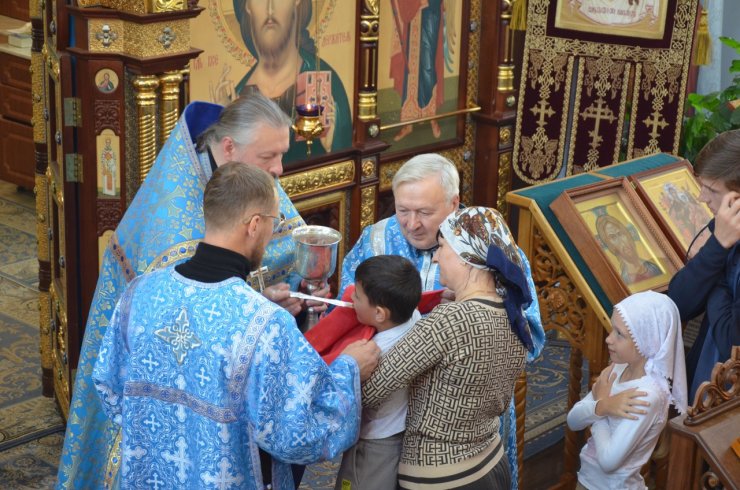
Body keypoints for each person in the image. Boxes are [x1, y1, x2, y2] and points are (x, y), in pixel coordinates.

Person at [56, 94, 321, 489]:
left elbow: (283, 248)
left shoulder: (252, 176)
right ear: (228, 147)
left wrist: (301, 285)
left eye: (282, 154)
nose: (279, 169)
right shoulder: (172, 219)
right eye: (269, 156)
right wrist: (256, 307)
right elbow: (173, 313)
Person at [91, 162, 380, 489]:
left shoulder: (138, 293)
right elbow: (296, 435)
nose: (272, 233)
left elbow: (108, 386)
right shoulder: (265, 323)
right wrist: (348, 370)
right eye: (274, 222)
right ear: (255, 224)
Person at [339, 153, 546, 488]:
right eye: (403, 210)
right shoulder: (375, 240)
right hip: (386, 423)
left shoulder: (490, 248)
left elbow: (528, 336)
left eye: (424, 212)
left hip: (462, 425)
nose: (412, 224)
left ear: (453, 203)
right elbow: (348, 310)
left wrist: (457, 332)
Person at [361, 206, 534, 488]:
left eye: (442, 247)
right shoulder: (514, 313)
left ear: (467, 258)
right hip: (491, 462)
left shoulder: (450, 320)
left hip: (441, 476)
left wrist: (352, 361)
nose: (437, 257)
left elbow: (371, 391)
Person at [566, 291, 688, 490]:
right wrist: (602, 406)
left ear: (646, 340)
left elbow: (608, 461)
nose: (608, 339)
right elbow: (573, 420)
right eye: (612, 329)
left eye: (619, 334)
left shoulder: (648, 395)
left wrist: (601, 407)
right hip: (587, 481)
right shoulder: (617, 368)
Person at [333, 255, 422, 490]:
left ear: (380, 314)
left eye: (357, 296)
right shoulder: (413, 316)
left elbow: (344, 393)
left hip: (373, 443)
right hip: (400, 433)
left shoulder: (372, 353)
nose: (351, 298)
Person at [667, 129, 740, 400]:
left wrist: (717, 272)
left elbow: (732, 343)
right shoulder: (725, 232)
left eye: (711, 190)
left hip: (727, 400)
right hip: (704, 381)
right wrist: (717, 246)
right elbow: (678, 304)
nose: (701, 197)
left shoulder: (726, 235)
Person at [233, 0, 352, 159]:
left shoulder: (326, 84)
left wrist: (331, 147)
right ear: (247, 6)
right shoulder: (236, 98)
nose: (270, 9)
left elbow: (344, 159)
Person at [389, 0, 456, 142]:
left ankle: (431, 117)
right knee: (410, 67)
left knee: (428, 64)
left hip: (430, 12)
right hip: (413, 14)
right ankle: (408, 123)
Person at [595, 214, 662, 285]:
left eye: (620, 234)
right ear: (609, 245)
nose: (622, 241)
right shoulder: (624, 281)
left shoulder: (653, 268)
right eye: (613, 237)